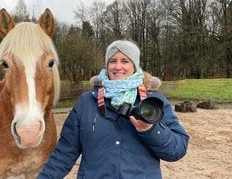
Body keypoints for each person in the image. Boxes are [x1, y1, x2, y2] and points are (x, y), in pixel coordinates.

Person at [38, 40, 189, 178]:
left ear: (134, 66)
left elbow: (177, 149)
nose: (118, 67)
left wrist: (150, 130)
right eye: (112, 61)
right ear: (107, 65)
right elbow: (65, 151)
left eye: (125, 61)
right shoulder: (87, 102)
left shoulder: (153, 101)